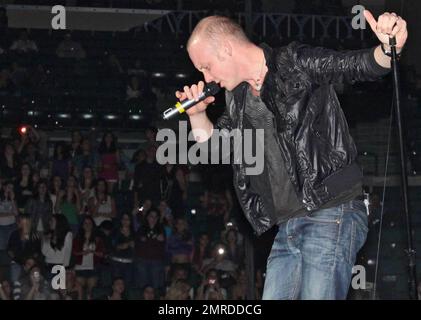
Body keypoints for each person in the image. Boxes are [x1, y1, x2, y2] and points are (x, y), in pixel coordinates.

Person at [177, 12, 408, 300]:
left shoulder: (292, 62)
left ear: (225, 49)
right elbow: (215, 150)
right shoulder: (237, 98)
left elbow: (353, 66)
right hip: (288, 226)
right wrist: (197, 115)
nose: (207, 78)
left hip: (329, 210)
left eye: (206, 67)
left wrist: (389, 49)